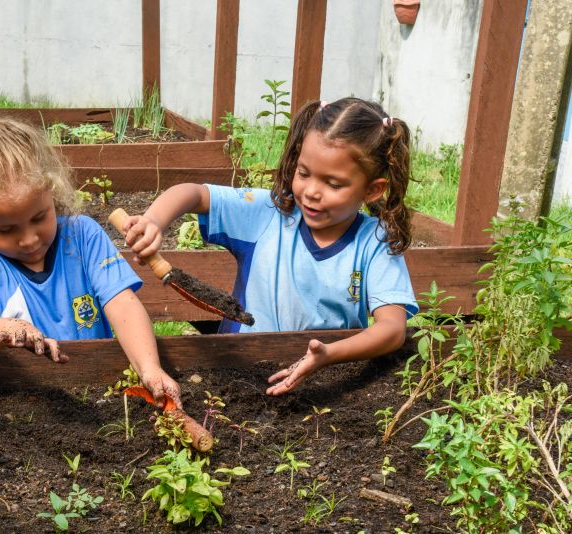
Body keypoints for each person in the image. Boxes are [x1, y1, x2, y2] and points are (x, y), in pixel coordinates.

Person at [120, 98, 418, 396]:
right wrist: (154, 221)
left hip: (326, 385)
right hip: (239, 375)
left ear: (372, 189)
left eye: (334, 184)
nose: (312, 192)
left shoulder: (375, 242)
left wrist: (329, 355)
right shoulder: (269, 212)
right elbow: (193, 194)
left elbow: (391, 330)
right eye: (304, 173)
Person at [0, 117, 181, 407]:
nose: (29, 239)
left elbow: (122, 303)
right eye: (6, 230)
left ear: (52, 190)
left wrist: (149, 368)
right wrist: (6, 329)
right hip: (24, 402)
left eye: (39, 218)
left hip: (99, 390)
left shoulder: (82, 237)